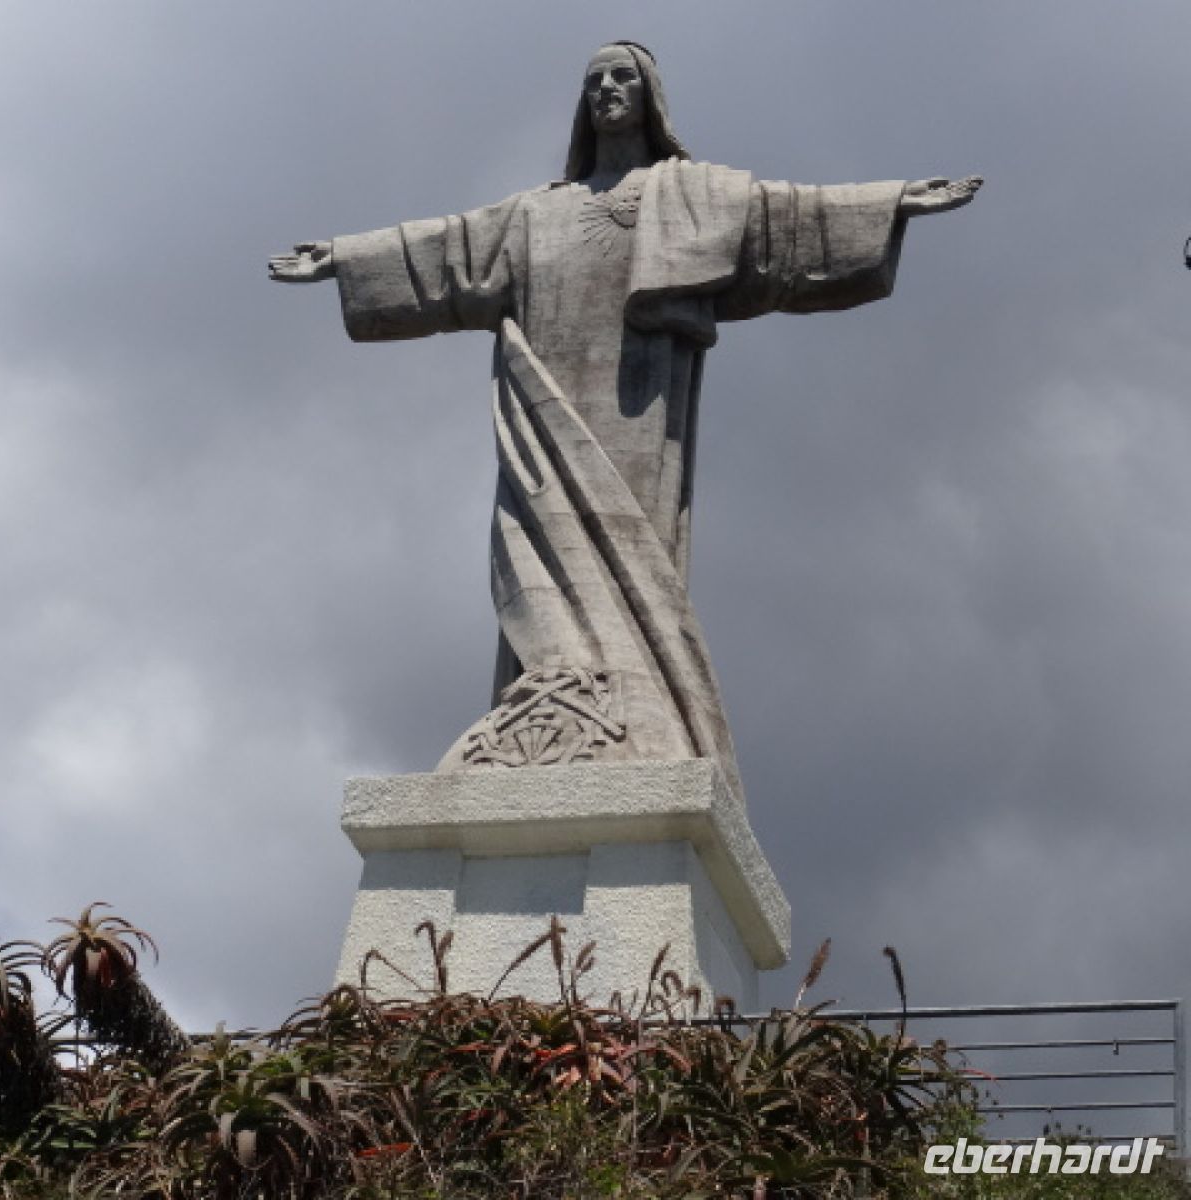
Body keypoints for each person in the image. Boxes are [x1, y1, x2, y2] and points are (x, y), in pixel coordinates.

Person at [270, 42, 979, 788]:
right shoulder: (535, 214)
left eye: (623, 77)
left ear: (649, 98)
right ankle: (551, 701)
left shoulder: (691, 197)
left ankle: (635, 709)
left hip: (641, 414)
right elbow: (449, 250)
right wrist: (347, 259)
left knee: (634, 550)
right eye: (595, 81)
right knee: (535, 551)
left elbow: (783, 219)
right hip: (542, 422)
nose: (608, 88)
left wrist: (890, 201)